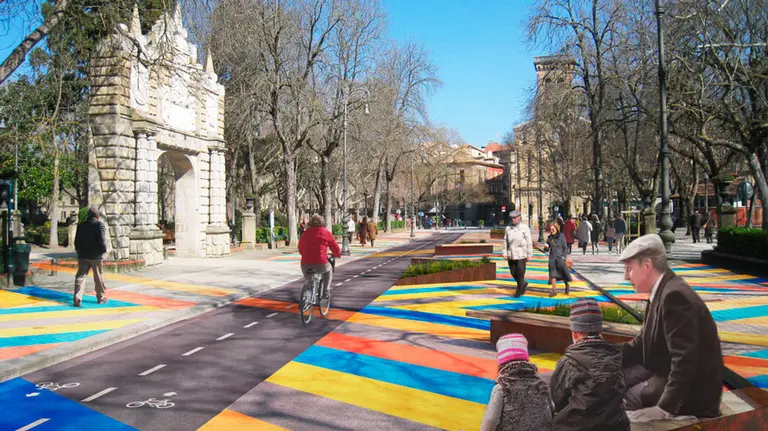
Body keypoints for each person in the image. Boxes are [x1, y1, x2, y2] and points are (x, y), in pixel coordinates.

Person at [619, 234, 723, 422]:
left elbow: (685, 360)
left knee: (621, 396)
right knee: (611, 377)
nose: (626, 276)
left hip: (692, 395)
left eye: (629, 269)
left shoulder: (675, 297)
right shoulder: (663, 290)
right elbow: (641, 343)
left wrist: (664, 408)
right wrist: (601, 354)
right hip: (666, 373)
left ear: (647, 266)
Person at [550, 299, 630, 431]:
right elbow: (620, 391)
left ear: (575, 334)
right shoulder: (616, 357)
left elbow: (556, 399)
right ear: (601, 332)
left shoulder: (570, 362)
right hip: (616, 425)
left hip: (578, 426)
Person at [480, 333, 554, 431]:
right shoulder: (541, 385)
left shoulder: (502, 388)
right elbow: (552, 410)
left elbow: (490, 422)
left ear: (501, 364)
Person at [298, 214, 341, 299]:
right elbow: (334, 246)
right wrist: (337, 255)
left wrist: (303, 253)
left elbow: (300, 247)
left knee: (308, 280)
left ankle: (306, 297)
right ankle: (326, 291)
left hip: (305, 263)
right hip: (321, 263)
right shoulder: (326, 232)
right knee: (329, 270)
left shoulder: (306, 233)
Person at [73, 207, 108, 307]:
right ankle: (100, 297)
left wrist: (78, 250)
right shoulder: (99, 225)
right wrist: (103, 251)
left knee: (80, 277)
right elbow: (101, 240)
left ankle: (77, 299)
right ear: (97, 216)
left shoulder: (81, 226)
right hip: (96, 256)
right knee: (98, 277)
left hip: (83, 255)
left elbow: (76, 241)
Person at [502, 210, 533, 298]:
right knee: (513, 272)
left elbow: (529, 241)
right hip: (511, 253)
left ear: (519, 217)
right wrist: (504, 252)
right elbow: (505, 241)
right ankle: (522, 284)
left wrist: (529, 254)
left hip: (521, 253)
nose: (513, 220)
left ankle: (518, 291)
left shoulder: (524, 227)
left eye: (515, 218)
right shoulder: (508, 228)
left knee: (520, 272)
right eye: (512, 218)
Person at [544, 223, 571, 297]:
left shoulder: (561, 236)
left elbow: (565, 248)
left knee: (563, 274)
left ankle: (567, 285)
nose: (551, 231)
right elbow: (546, 250)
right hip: (552, 259)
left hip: (560, 258)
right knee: (553, 274)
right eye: (550, 229)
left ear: (557, 229)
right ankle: (554, 290)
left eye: (553, 229)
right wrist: (546, 247)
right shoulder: (549, 238)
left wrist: (564, 257)